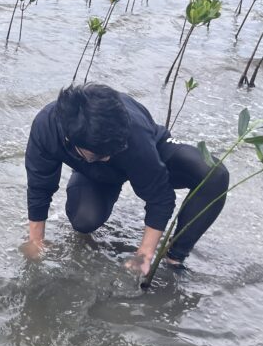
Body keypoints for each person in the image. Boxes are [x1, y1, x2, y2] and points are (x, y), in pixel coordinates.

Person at [24, 83, 229, 274]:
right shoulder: (46, 127)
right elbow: (39, 187)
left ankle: (175, 257)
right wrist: (36, 242)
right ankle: (97, 170)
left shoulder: (133, 134)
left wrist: (144, 255)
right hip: (98, 174)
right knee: (84, 221)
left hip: (143, 148)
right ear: (71, 141)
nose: (108, 158)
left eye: (110, 153)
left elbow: (160, 197)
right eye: (99, 155)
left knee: (214, 174)